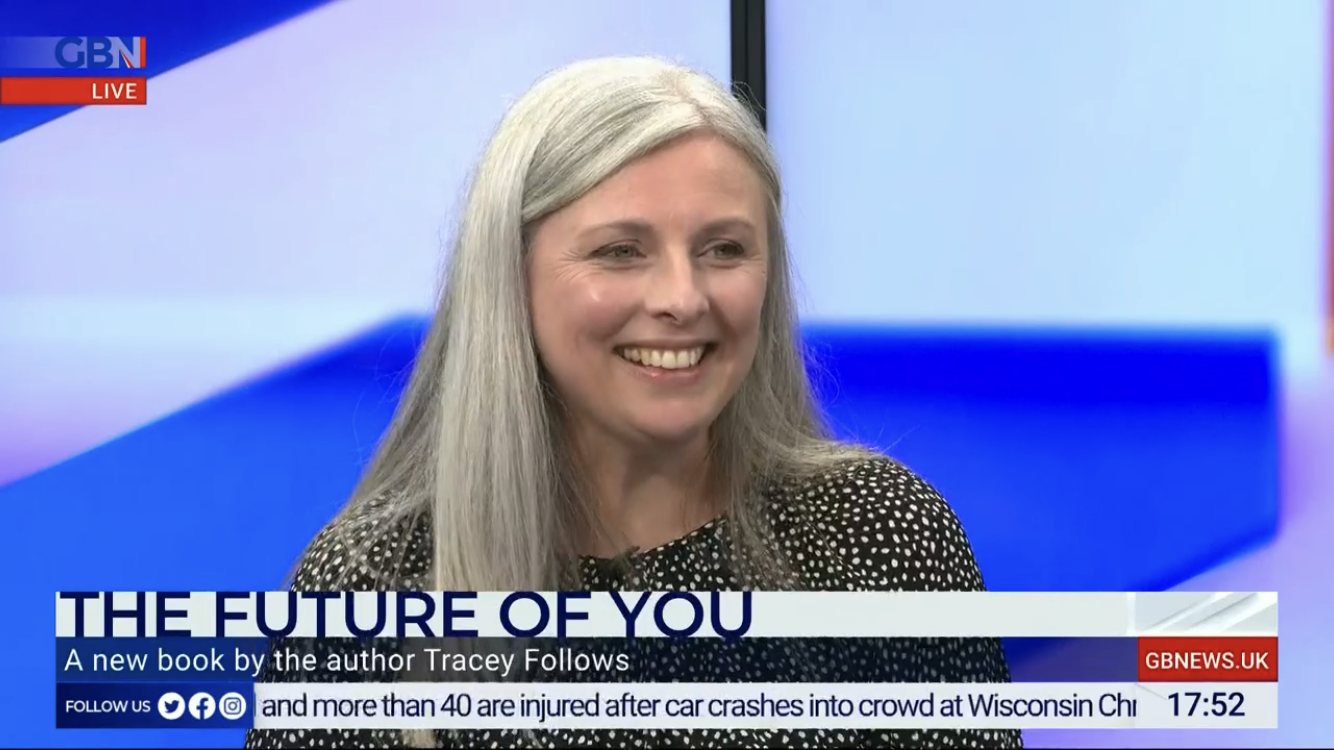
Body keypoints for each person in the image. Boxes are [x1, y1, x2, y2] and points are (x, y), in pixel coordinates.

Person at [245, 56, 1020, 750]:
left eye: (724, 249)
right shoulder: (372, 581)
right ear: (509, 281)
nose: (683, 298)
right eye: (622, 251)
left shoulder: (881, 534)